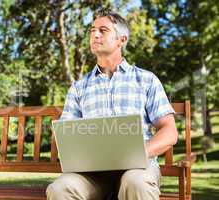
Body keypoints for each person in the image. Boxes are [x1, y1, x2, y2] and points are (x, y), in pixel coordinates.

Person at [46, 8, 178, 200]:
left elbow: (170, 132)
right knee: (61, 188)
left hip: (137, 168)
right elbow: (66, 134)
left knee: (136, 182)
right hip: (92, 175)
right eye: (92, 30)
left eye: (103, 30)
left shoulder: (146, 80)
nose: (95, 35)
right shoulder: (79, 87)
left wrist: (135, 154)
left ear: (121, 40)